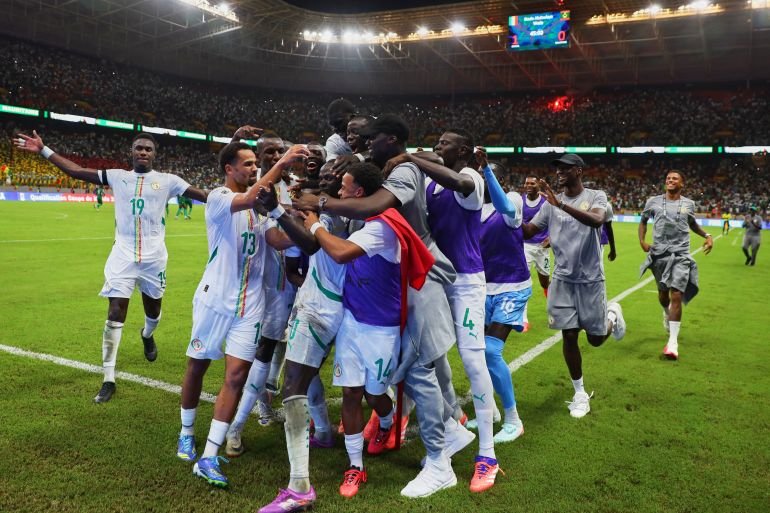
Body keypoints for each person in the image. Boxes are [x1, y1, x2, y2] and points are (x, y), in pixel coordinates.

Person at [294, 114, 459, 498]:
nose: (365, 143)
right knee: (360, 390)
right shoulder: (369, 200)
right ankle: (357, 466)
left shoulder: (381, 214)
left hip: (392, 314)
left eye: (372, 139)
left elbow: (344, 246)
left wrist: (319, 210)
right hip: (354, 319)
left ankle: (442, 446)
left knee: (412, 373)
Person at [14, 130, 208, 403]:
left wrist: (244, 199)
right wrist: (45, 149)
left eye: (148, 149)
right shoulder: (117, 176)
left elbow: (204, 195)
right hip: (122, 255)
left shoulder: (168, 181)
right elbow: (78, 172)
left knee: (153, 310)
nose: (143, 152)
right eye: (139, 148)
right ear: (132, 151)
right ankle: (108, 378)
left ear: (154, 154)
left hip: (154, 259)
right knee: (115, 310)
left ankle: (147, 334)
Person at [176, 141, 308, 489]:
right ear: (229, 169)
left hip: (250, 306)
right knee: (198, 365)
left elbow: (276, 241)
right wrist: (283, 162)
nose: (253, 169)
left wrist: (303, 225)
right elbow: (251, 196)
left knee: (236, 377)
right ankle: (186, 431)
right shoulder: (219, 198)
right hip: (214, 301)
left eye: (255, 164)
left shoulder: (259, 209)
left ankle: (209, 454)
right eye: (247, 164)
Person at [390, 130, 499, 492]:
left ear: (464, 150)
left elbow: (453, 178)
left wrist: (407, 157)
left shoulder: (471, 179)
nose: (438, 147)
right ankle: (452, 428)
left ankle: (488, 455)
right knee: (432, 355)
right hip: (437, 276)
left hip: (466, 281)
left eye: (444, 144)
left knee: (472, 360)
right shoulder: (431, 185)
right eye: (435, 143)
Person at [521, 153, 627, 418]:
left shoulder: (596, 196)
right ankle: (579, 392)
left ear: (579, 171)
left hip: (591, 280)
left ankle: (613, 315)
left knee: (595, 339)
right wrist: (503, 216)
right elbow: (529, 231)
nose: (559, 172)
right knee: (569, 335)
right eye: (557, 169)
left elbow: (597, 220)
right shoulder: (549, 205)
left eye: (565, 168)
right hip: (563, 279)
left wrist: (561, 205)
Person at [475, 155, 530, 447]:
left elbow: (506, 208)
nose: (483, 179)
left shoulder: (512, 201)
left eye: (489, 175)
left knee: (491, 352)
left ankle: (513, 419)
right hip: (482, 288)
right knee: (476, 353)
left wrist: (486, 169)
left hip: (512, 286)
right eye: (481, 174)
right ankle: (490, 410)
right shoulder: (472, 208)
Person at [638, 169, 713, 360]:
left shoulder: (689, 204)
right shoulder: (653, 201)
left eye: (675, 178)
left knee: (676, 294)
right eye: (668, 178)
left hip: (680, 254)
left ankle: (672, 343)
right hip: (659, 255)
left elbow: (692, 224)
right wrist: (642, 241)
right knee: (663, 295)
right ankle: (666, 312)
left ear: (682, 184)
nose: (670, 180)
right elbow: (643, 221)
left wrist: (707, 235)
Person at [521, 176, 551, 331]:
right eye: (527, 183)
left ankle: (554, 313)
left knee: (545, 282)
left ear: (538, 185)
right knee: (524, 281)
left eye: (532, 183)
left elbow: (556, 219)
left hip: (542, 248)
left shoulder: (545, 201)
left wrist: (551, 237)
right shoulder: (520, 200)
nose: (529, 185)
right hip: (525, 246)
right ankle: (523, 319)